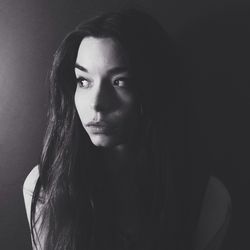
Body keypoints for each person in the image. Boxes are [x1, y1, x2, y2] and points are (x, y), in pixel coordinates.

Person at [23, 8, 231, 250]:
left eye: (120, 81)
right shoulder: (44, 189)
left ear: (154, 87)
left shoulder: (208, 201)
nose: (97, 103)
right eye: (84, 81)